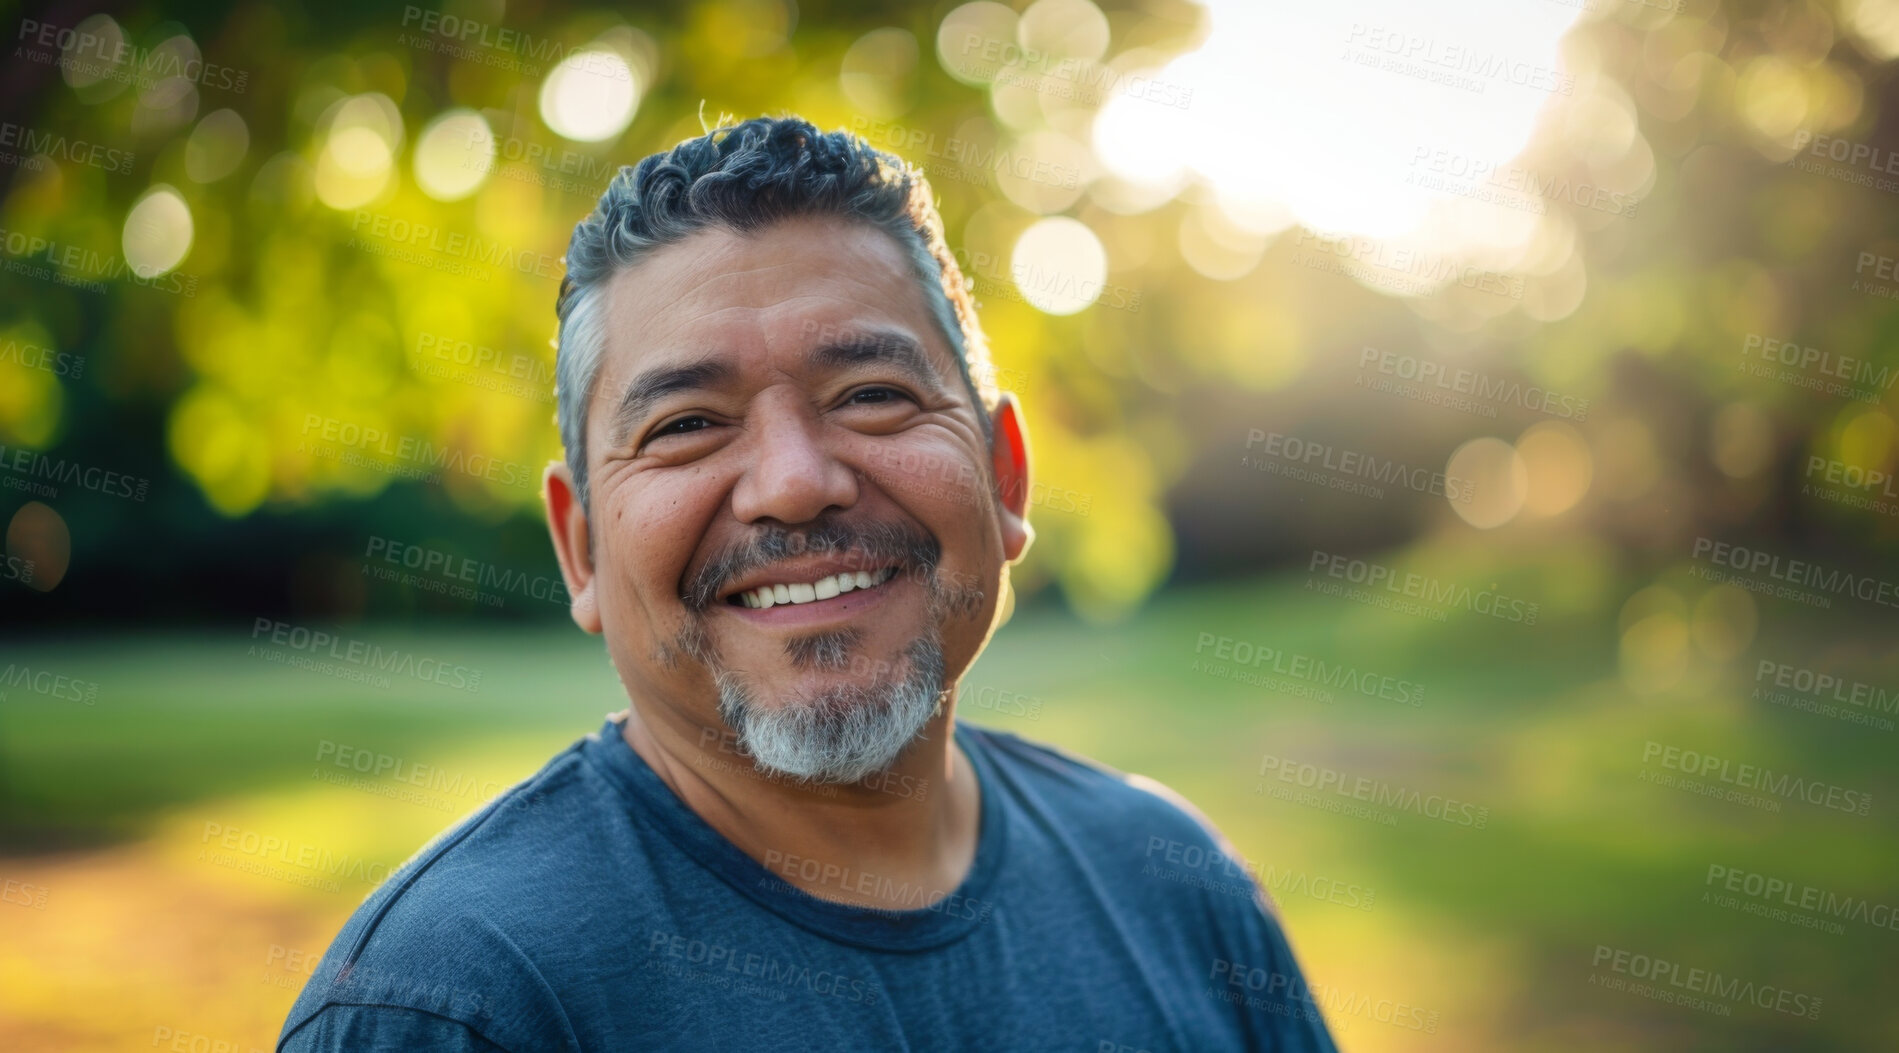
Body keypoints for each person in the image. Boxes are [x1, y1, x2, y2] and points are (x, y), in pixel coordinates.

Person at [278, 115, 1337, 1052]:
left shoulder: (1176, 885)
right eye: (687, 424)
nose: (793, 483)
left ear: (1006, 476)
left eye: (872, 394)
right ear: (582, 547)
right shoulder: (456, 1003)